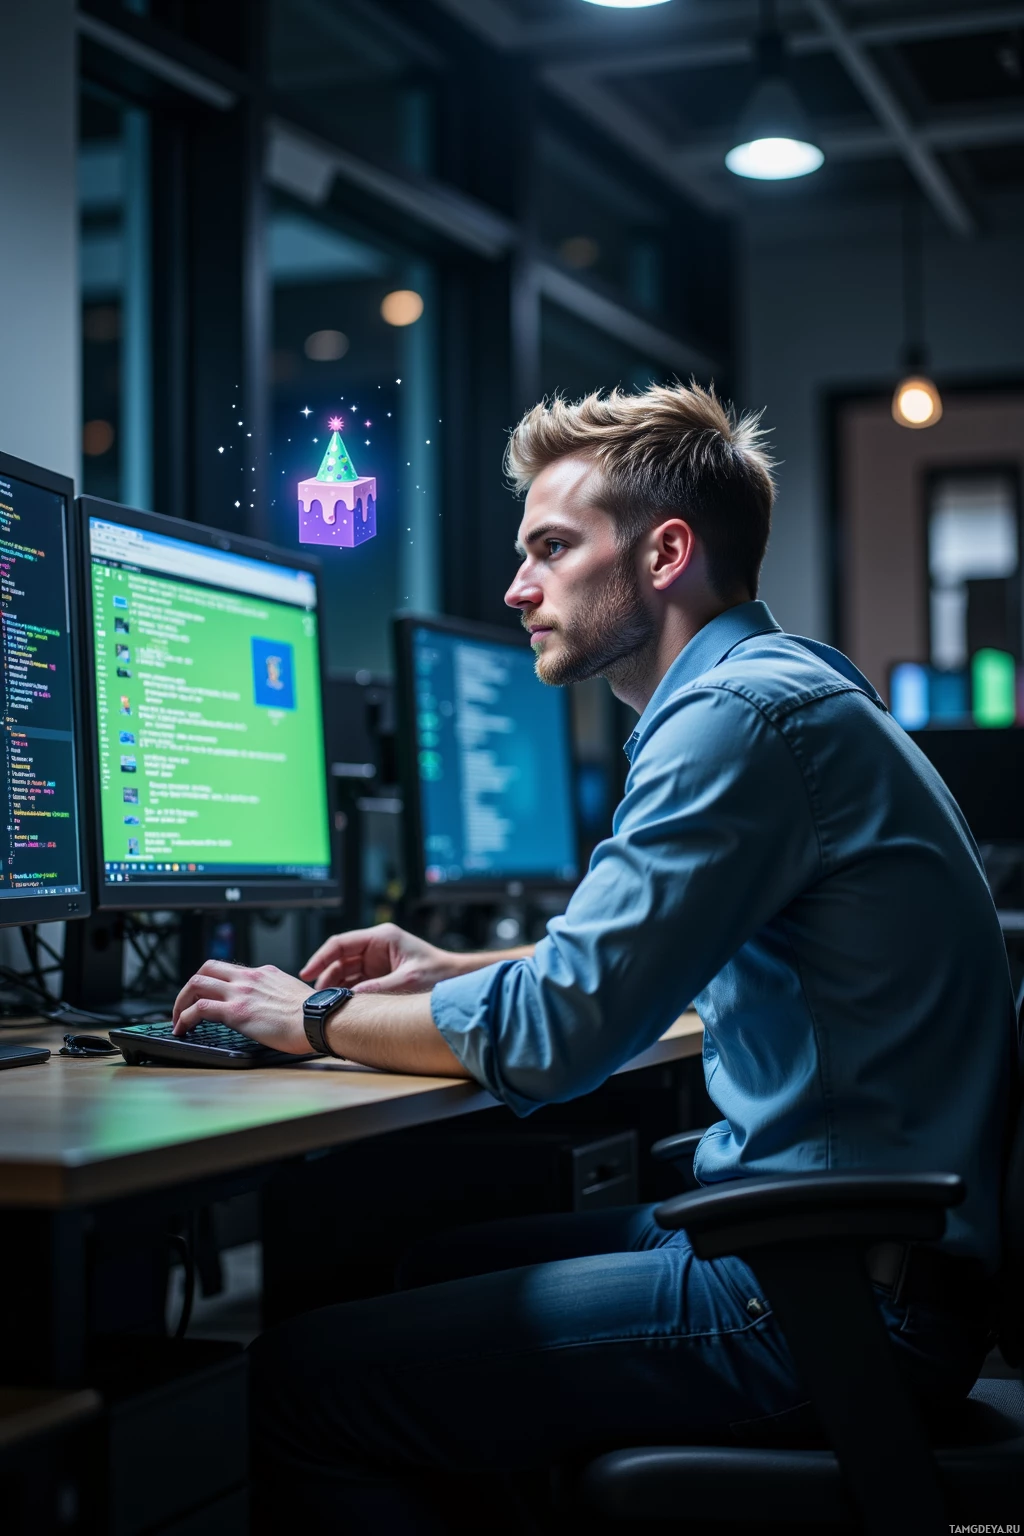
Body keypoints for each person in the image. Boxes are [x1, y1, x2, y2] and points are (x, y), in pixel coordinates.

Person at [172, 383, 1016, 1533]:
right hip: (856, 1257)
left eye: (552, 548)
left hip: (831, 1303)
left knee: (307, 1382)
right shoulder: (789, 693)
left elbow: (558, 1032)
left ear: (666, 552)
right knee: (418, 1269)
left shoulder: (736, 722)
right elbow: (628, 957)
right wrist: (450, 969)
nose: (519, 587)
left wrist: (305, 1018)